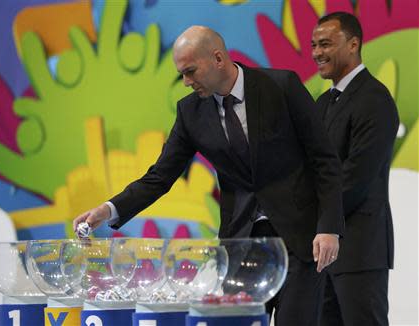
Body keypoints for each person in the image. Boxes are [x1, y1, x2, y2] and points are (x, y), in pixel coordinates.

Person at [74, 25, 344, 325]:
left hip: (300, 239)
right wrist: (108, 209)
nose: (187, 82)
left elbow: (325, 160)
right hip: (241, 245)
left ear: (218, 58)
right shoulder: (190, 112)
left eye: (191, 71)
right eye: (182, 75)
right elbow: (159, 177)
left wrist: (329, 227)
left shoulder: (281, 85)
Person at [311, 12, 399, 326]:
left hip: (360, 251)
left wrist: (319, 219)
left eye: (325, 44)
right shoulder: (322, 104)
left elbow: (356, 176)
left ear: (353, 44)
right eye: (313, 45)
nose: (316, 52)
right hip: (322, 254)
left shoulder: (375, 99)